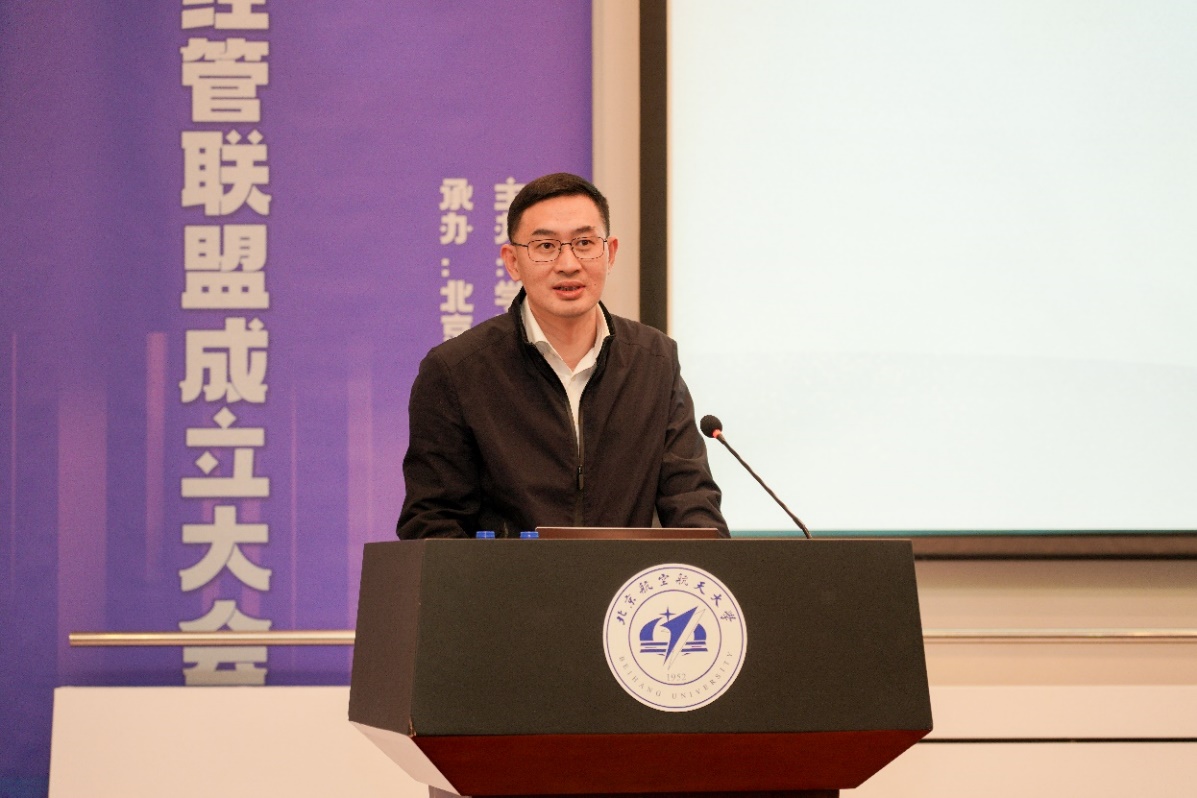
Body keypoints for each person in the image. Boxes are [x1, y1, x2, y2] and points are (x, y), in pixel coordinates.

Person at [397, 172, 727, 539]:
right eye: (545, 246)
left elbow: (692, 504)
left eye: (584, 243)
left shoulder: (655, 361)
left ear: (610, 253)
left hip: (625, 578)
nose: (568, 263)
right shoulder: (456, 372)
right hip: (507, 578)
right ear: (512, 261)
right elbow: (433, 525)